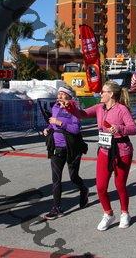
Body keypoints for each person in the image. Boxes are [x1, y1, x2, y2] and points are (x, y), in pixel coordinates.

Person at [68, 81, 136, 231]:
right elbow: (82, 114)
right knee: (100, 187)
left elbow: (133, 129)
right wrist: (70, 106)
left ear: (111, 94)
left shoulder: (122, 109)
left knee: (120, 185)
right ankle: (108, 214)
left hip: (122, 151)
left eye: (103, 91)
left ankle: (125, 213)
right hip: (104, 151)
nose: (100, 94)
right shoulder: (100, 107)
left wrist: (119, 128)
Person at [41, 86, 89, 220]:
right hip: (56, 147)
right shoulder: (55, 107)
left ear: (69, 96)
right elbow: (52, 123)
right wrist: (48, 128)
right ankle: (56, 208)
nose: (60, 96)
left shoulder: (74, 109)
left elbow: (75, 129)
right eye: (59, 94)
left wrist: (60, 123)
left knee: (73, 177)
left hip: (72, 147)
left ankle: (84, 189)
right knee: (56, 179)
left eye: (63, 94)